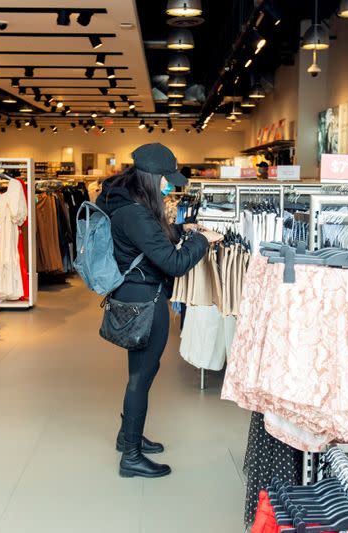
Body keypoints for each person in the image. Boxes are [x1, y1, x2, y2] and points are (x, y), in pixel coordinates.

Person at [96, 143, 223, 479]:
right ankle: (132, 457)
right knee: (141, 377)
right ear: (151, 177)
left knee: (140, 374)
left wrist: (184, 230)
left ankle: (128, 437)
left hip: (132, 293)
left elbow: (149, 241)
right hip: (145, 302)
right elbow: (174, 262)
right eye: (167, 179)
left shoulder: (123, 201)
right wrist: (203, 241)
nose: (170, 186)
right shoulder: (135, 213)